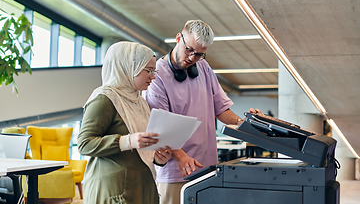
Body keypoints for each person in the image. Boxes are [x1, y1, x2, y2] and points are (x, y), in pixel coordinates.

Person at [143, 20, 260, 204]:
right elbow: (161, 128)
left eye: (199, 54)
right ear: (178, 38)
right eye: (189, 50)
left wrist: (246, 123)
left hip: (207, 168)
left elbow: (222, 110)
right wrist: (182, 157)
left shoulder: (204, 68)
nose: (192, 58)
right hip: (175, 173)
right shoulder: (157, 76)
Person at [78, 41, 172, 204]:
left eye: (154, 71)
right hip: (115, 190)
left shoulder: (140, 102)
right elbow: (85, 144)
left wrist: (158, 158)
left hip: (141, 186)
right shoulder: (105, 98)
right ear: (127, 67)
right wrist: (127, 141)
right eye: (148, 70)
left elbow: (141, 148)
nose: (153, 76)